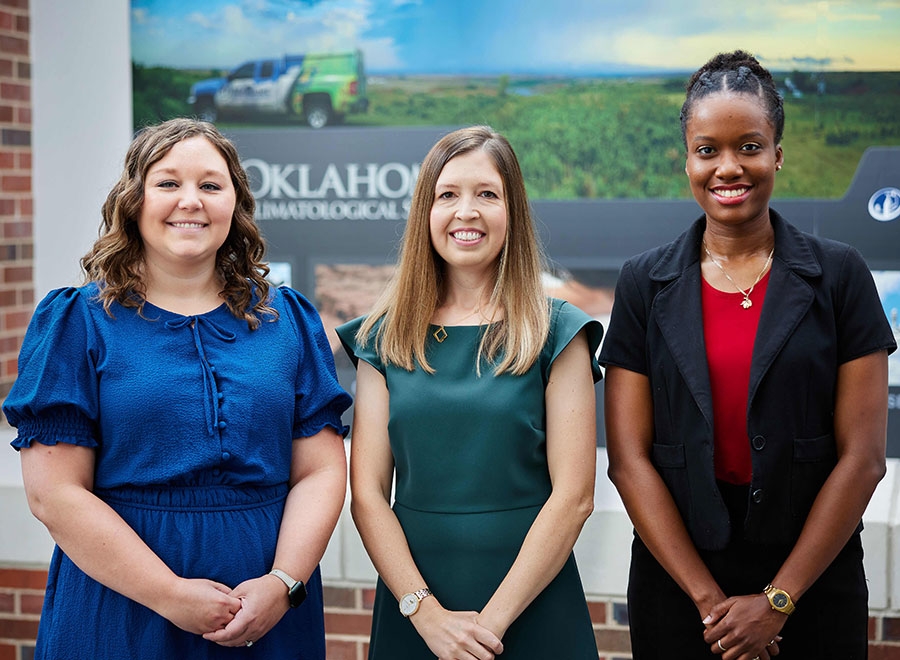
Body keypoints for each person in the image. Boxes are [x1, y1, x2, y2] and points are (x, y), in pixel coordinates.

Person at [2, 118, 352, 659]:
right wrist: (169, 595)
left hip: (266, 608)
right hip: (122, 607)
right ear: (133, 199)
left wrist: (283, 584)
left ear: (234, 204)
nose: (191, 201)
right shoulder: (78, 323)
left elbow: (322, 469)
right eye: (168, 183)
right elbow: (55, 493)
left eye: (211, 185)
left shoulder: (287, 320)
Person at [599, 50, 897, 660]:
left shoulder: (839, 276)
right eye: (707, 149)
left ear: (778, 154)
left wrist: (777, 602)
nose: (728, 167)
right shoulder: (642, 284)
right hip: (678, 585)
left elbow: (863, 459)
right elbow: (629, 462)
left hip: (813, 582)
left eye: (750, 146)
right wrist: (712, 605)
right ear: (686, 159)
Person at [336, 126, 603, 660]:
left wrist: (488, 627)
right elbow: (367, 496)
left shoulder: (557, 332)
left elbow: (574, 498)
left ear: (513, 212)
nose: (467, 211)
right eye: (448, 195)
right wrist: (427, 615)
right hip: (417, 612)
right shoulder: (382, 338)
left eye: (487, 194)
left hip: (533, 604)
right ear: (425, 212)